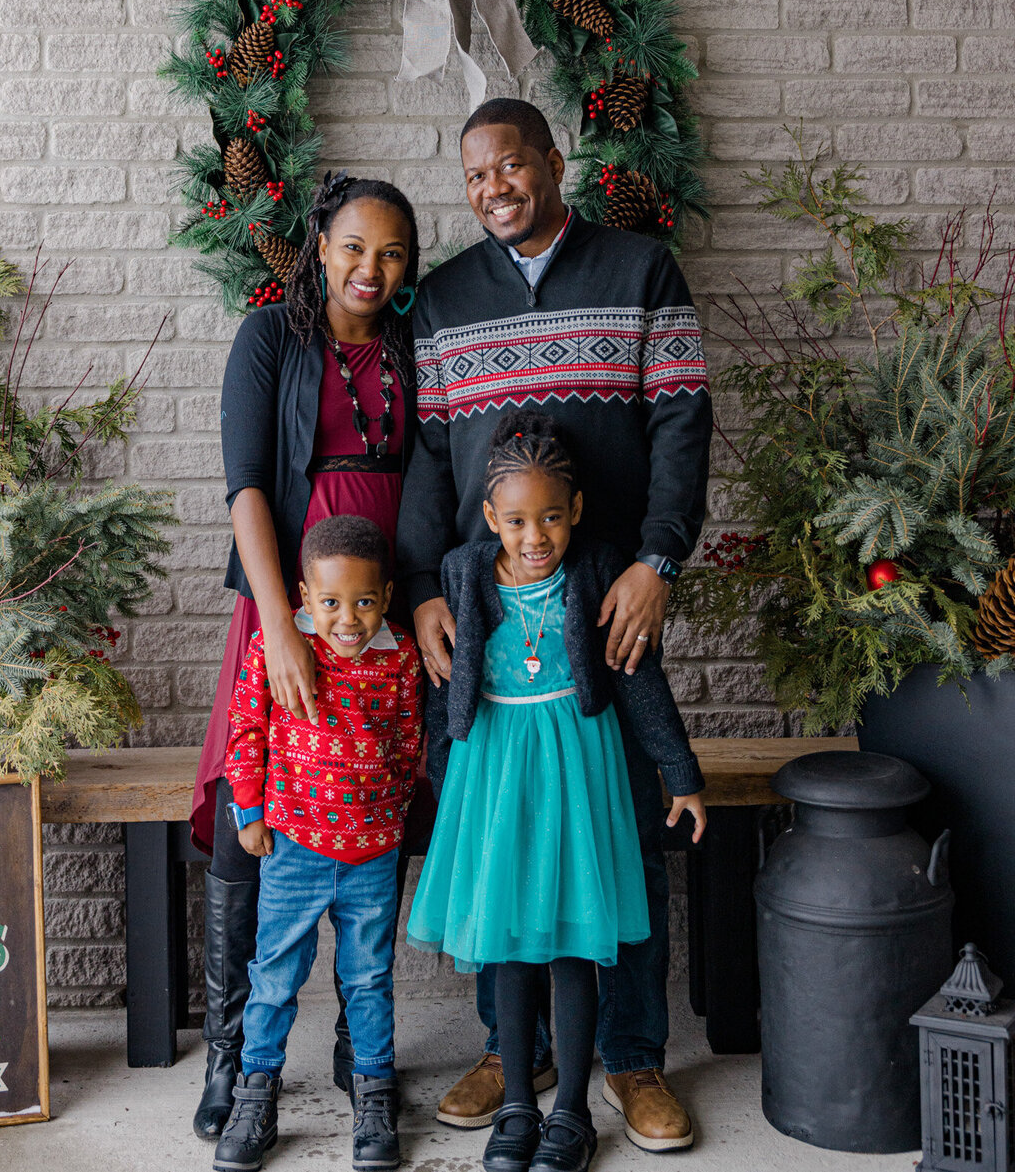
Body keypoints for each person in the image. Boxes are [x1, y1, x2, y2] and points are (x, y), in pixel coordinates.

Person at [398, 98, 712, 1152]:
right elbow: (429, 460)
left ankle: (629, 1057)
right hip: (492, 621)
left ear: (553, 162)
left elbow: (681, 419)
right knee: (504, 839)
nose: (494, 188)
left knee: (616, 832)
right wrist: (426, 591)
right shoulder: (441, 301)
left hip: (607, 602)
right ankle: (510, 1046)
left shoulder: (638, 271)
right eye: (476, 174)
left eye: (511, 166)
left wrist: (659, 559)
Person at [407, 412, 706, 1172]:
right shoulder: (464, 573)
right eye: (515, 519)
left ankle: (571, 1108)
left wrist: (680, 772)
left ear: (574, 510)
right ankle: (517, 1104)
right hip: (497, 770)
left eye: (549, 516)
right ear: (489, 517)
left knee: (575, 939)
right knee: (508, 940)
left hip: (579, 767)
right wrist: (446, 775)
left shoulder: (597, 570)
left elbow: (639, 679)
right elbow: (444, 688)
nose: (533, 535)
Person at [190, 172, 422, 1141]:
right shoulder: (270, 341)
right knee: (258, 805)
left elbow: (437, 471)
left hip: (385, 619)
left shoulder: (413, 347)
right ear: (319, 244)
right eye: (354, 247)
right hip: (289, 608)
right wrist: (279, 619)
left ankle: (357, 1049)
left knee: (369, 797)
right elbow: (247, 485)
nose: (371, 268)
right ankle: (231, 1054)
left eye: (393, 253)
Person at [214, 514, 424, 1172]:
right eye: (331, 602)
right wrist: (249, 810)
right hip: (295, 848)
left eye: (364, 601)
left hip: (371, 853)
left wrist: (395, 815)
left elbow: (410, 742)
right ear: (304, 596)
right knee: (274, 975)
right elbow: (247, 728)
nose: (348, 618)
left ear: (386, 596)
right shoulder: (279, 652)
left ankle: (372, 1094)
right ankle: (256, 1093)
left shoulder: (401, 658)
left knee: (368, 977)